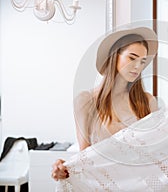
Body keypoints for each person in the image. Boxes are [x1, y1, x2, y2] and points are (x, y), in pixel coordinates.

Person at [51, 27, 159, 181]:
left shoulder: (148, 102)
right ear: (115, 56)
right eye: (132, 58)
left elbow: (155, 153)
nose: (138, 67)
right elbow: (84, 157)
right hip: (101, 184)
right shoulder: (85, 101)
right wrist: (64, 167)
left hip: (138, 184)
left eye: (142, 61)